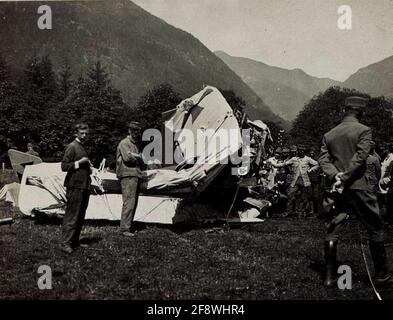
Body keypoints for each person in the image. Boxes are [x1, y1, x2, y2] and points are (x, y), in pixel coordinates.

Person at [319, 96, 393, 287]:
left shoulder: (329, 134)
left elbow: (323, 160)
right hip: (360, 187)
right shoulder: (364, 130)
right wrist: (345, 176)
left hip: (337, 188)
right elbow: (361, 157)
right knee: (375, 228)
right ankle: (382, 275)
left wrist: (335, 176)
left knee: (333, 228)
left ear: (345, 110)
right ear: (361, 112)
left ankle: (329, 277)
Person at [60, 123, 92, 254]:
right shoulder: (72, 146)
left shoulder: (83, 147)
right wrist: (81, 162)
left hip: (84, 185)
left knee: (80, 215)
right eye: (82, 133)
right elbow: (64, 166)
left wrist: (88, 167)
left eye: (86, 133)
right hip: (74, 186)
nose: (84, 136)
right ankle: (65, 243)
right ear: (76, 134)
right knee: (72, 215)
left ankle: (74, 241)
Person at [116, 121, 143, 237]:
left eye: (138, 130)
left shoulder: (136, 145)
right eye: (134, 130)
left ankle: (128, 226)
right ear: (129, 131)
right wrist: (138, 157)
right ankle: (124, 229)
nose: (136, 133)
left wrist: (136, 156)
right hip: (127, 175)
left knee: (133, 202)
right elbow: (128, 159)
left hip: (135, 174)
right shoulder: (124, 143)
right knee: (129, 202)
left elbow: (141, 158)